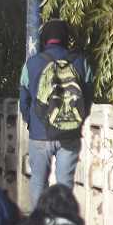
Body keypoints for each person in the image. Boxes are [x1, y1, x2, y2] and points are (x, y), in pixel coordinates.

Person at [20, 20, 92, 207]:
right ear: (66, 39)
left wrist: (31, 121)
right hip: (70, 132)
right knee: (65, 185)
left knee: (38, 181)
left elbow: (24, 99)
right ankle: (61, 224)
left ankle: (40, 224)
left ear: (44, 39)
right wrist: (78, 120)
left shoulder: (32, 64)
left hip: (39, 134)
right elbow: (88, 97)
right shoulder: (81, 63)